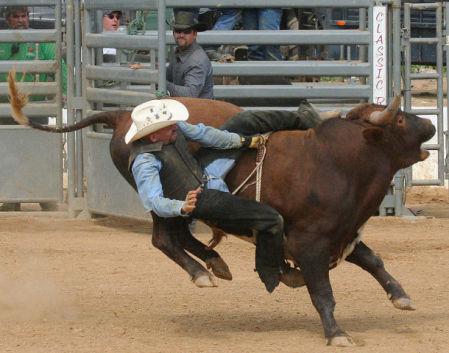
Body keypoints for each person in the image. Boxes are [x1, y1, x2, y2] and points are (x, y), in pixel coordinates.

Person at [126, 98, 331, 292]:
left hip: (204, 171)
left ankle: (306, 119)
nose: (175, 127)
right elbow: (153, 201)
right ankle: (275, 270)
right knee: (271, 218)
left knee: (245, 121)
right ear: (153, 136)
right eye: (169, 127)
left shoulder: (173, 129)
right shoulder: (144, 162)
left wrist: (244, 141)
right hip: (203, 199)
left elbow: (205, 134)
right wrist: (181, 207)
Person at [0, 6, 66, 212]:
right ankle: (13, 197)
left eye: (24, 15)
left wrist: (63, 91)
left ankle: (45, 195)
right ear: (7, 19)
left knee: (40, 150)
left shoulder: (42, 42)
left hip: (36, 108)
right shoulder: (2, 42)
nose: (21, 20)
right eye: (16, 16)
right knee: (10, 152)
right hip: (6, 108)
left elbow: (59, 66)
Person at [166, 11, 213, 99]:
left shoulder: (197, 60)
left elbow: (190, 94)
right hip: (187, 107)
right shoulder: (179, 51)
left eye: (186, 31)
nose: (181, 35)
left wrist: (161, 83)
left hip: (199, 110)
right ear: (173, 33)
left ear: (195, 34)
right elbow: (167, 75)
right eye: (178, 30)